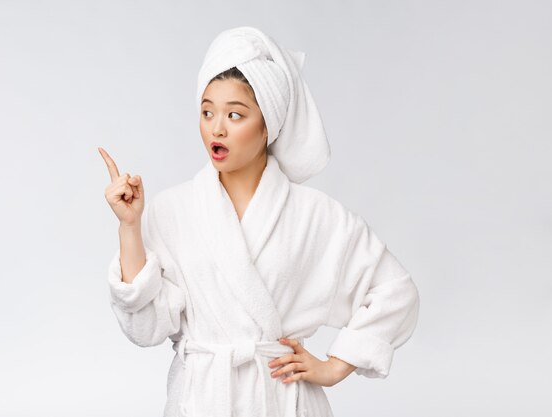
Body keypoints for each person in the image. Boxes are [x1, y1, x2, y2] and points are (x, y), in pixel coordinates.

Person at [99, 26, 420, 417]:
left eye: (235, 114)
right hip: (202, 400)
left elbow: (396, 292)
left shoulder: (315, 215)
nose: (216, 127)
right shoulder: (172, 210)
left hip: (283, 401)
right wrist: (129, 227)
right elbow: (144, 329)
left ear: (268, 124)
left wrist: (337, 364)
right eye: (207, 112)